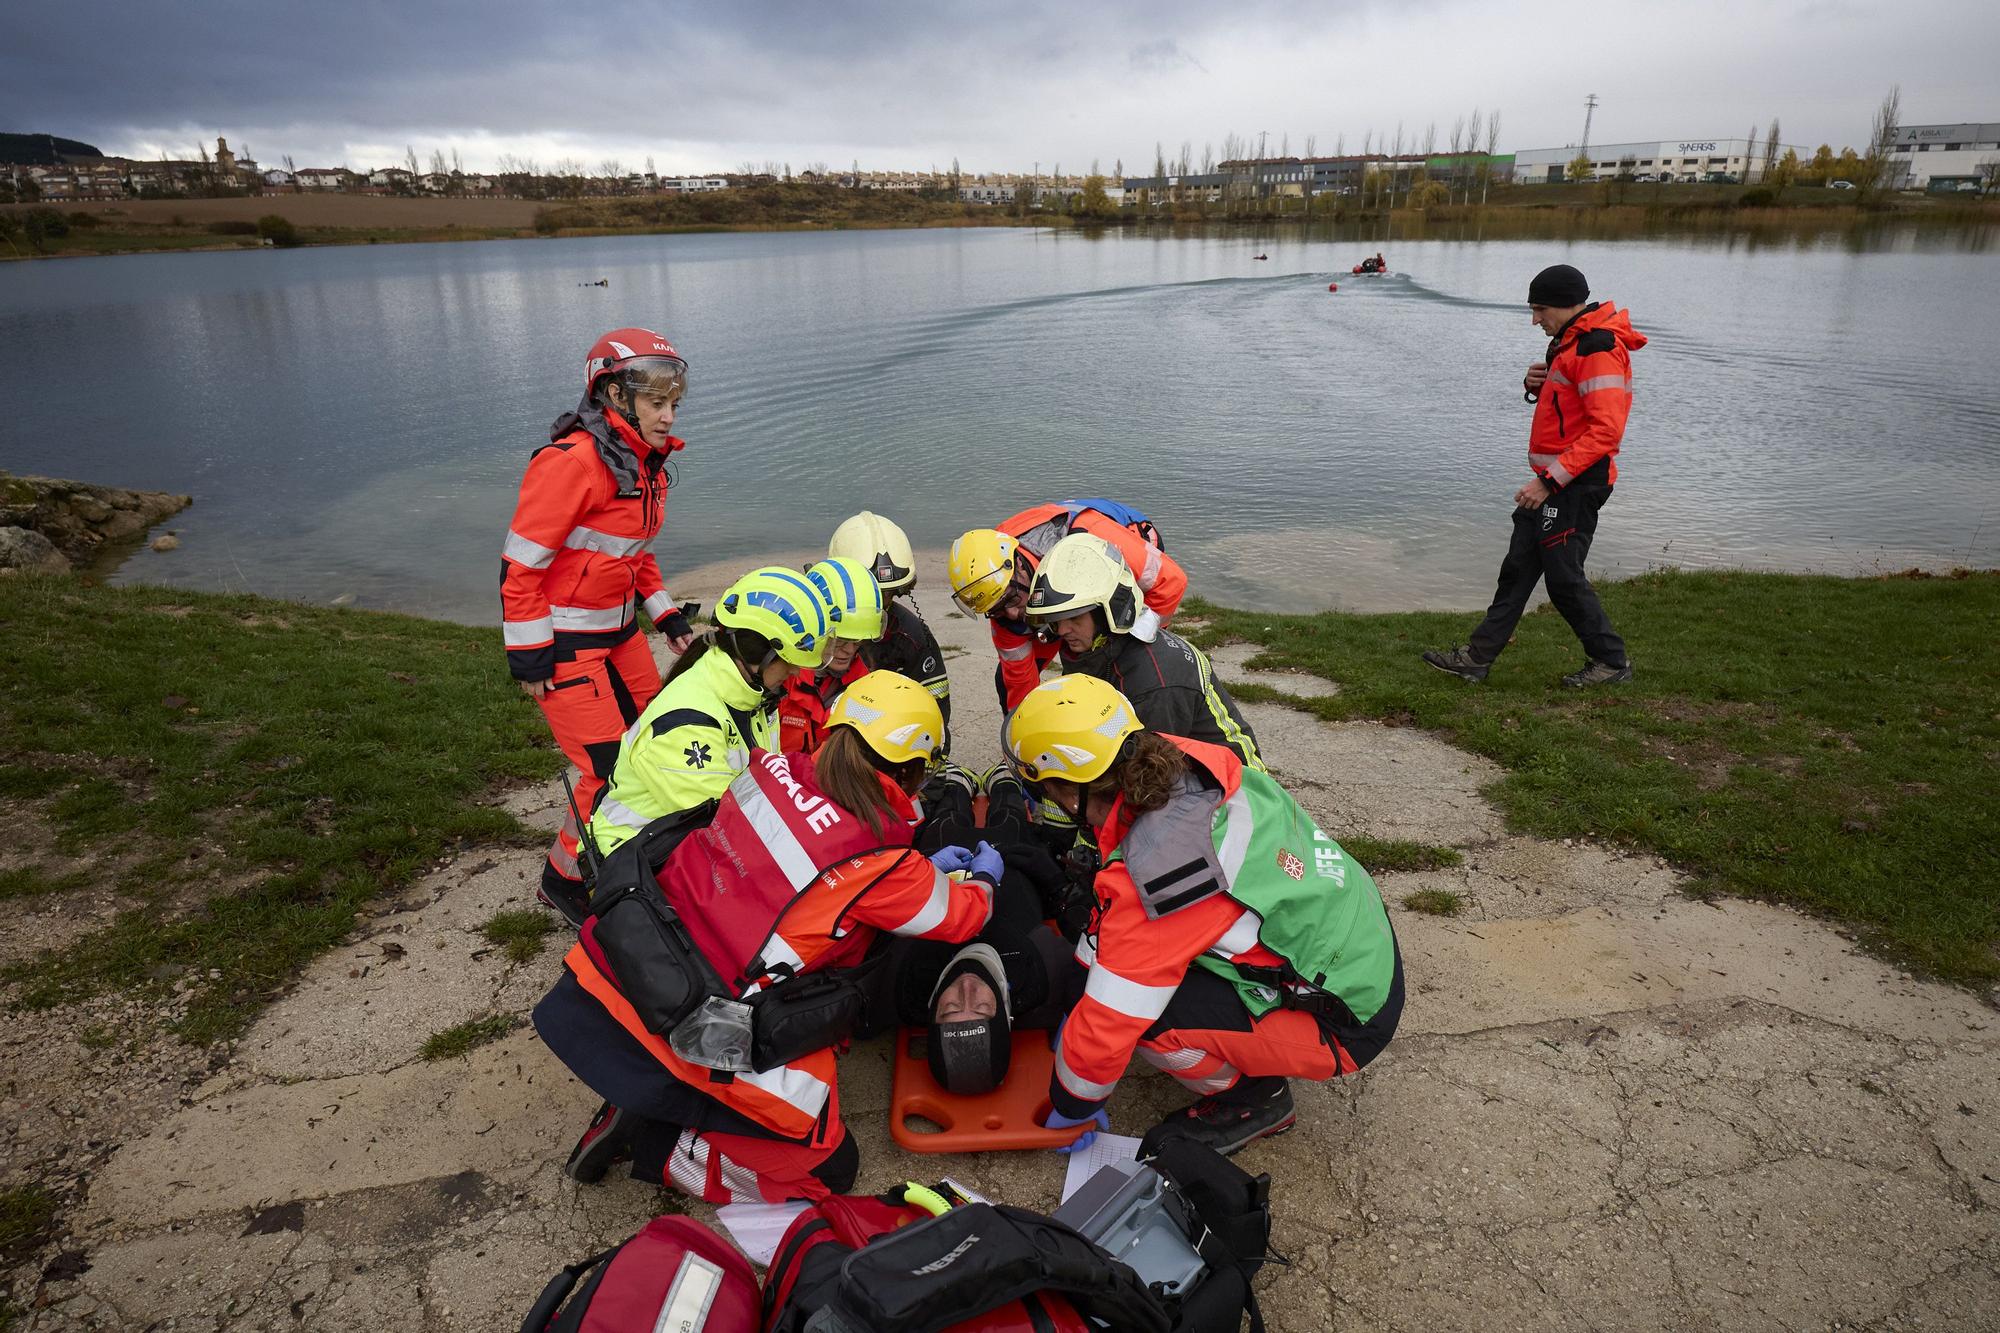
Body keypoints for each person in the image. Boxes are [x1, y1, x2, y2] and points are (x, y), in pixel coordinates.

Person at [534, 672, 999, 1204]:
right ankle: (658, 1140)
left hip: (617, 960)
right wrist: (985, 875)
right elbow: (962, 916)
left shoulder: (769, 768)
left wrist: (912, 873)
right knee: (830, 1170)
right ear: (914, 768)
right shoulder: (880, 863)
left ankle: (657, 1091)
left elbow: (795, 866)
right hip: (695, 1017)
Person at [1006, 676, 1402, 1158]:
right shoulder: (1185, 763)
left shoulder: (1159, 872)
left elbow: (1113, 1019)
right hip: (1359, 944)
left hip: (1350, 1018)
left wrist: (1072, 1100)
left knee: (1150, 1023)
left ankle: (1254, 1098)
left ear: (1070, 791)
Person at [501, 329, 697, 917]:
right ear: (613, 394)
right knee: (606, 770)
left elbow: (632, 551)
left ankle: (631, 853)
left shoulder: (645, 464)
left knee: (652, 743)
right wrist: (531, 656)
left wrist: (663, 615)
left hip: (619, 634)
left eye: (675, 405)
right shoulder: (571, 464)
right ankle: (564, 878)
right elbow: (521, 566)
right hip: (566, 643)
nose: (668, 417)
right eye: (657, 404)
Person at [1424, 263, 1642, 688]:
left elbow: (1605, 431)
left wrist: (1548, 482)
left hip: (1575, 484)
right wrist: (1535, 385)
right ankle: (1476, 658)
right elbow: (1570, 411)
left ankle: (1611, 661)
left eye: (1540, 309)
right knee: (1518, 568)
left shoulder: (1595, 348)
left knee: (1563, 579)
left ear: (1566, 305)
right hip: (1555, 481)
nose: (1535, 319)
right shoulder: (1568, 343)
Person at [575, 566, 830, 916]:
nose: (794, 674)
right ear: (759, 654)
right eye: (787, 664)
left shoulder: (749, 694)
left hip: (679, 838)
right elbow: (727, 829)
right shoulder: (687, 724)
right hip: (634, 862)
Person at [1025, 533, 1263, 772]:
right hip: (1177, 766)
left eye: (1074, 618)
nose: (1063, 630)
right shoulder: (1096, 646)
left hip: (1231, 786)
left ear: (1107, 611)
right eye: (1057, 619)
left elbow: (1151, 776)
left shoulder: (1155, 682)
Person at [948, 499, 1187, 711]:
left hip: (1126, 541)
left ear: (1019, 566)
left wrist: (1141, 638)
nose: (1011, 614)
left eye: (1010, 600)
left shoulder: (1090, 538)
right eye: (996, 609)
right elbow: (1019, 682)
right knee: (1007, 683)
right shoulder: (996, 590)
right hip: (1041, 581)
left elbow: (1170, 582)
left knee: (1113, 661)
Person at [828, 511, 951, 729]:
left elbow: (936, 710)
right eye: (871, 592)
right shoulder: (809, 626)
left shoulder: (910, 635)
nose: (880, 602)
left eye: (887, 593)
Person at [777, 557, 887, 754]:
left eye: (858, 641)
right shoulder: (779, 678)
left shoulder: (864, 688)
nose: (849, 650)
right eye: (840, 640)